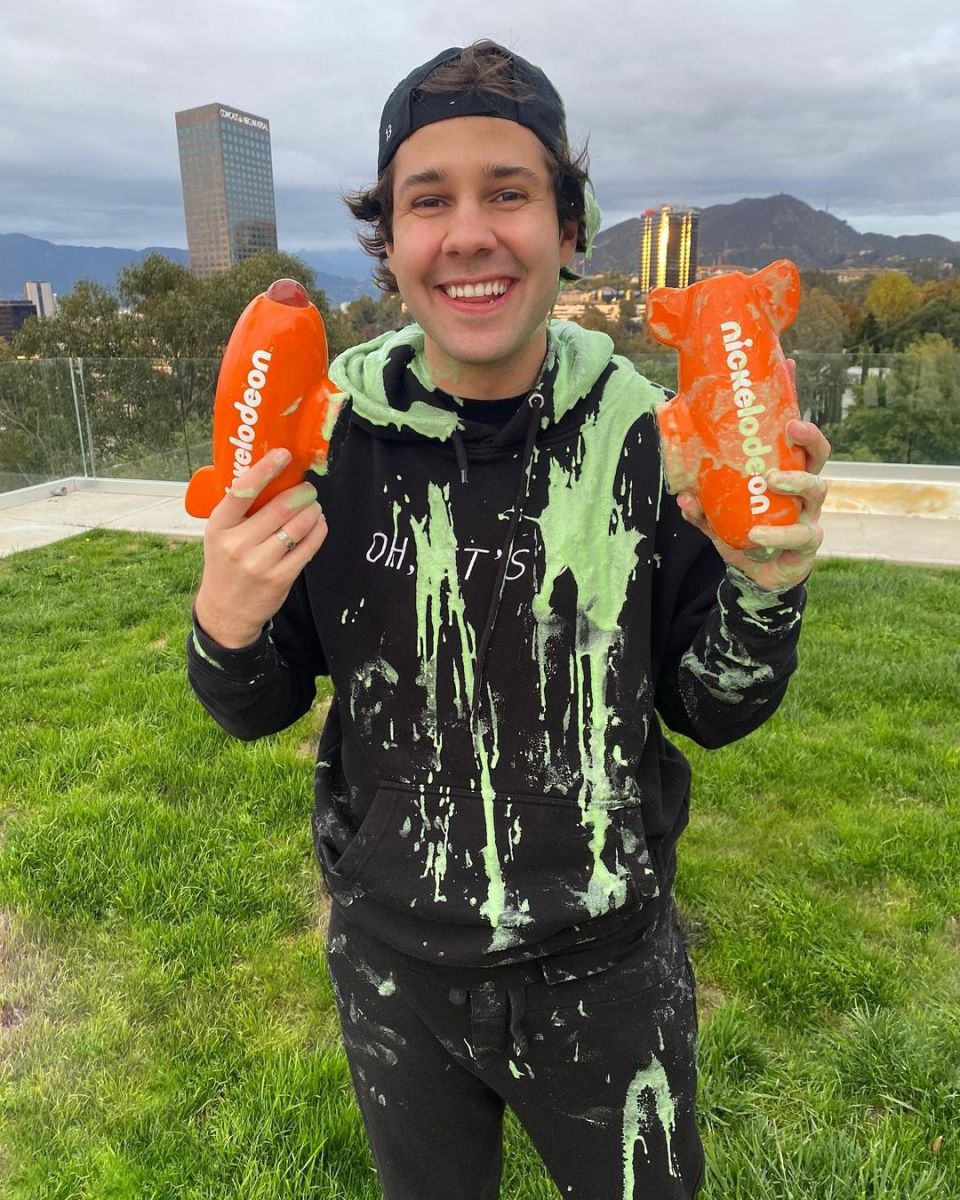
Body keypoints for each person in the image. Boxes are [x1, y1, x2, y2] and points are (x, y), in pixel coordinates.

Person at [187, 40, 830, 1200]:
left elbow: (712, 710)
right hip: (394, 969)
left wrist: (763, 584)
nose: (469, 232)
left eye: (510, 193)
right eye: (428, 201)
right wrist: (221, 622)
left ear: (568, 229)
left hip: (609, 974)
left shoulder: (652, 434)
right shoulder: (326, 437)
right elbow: (255, 704)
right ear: (391, 244)